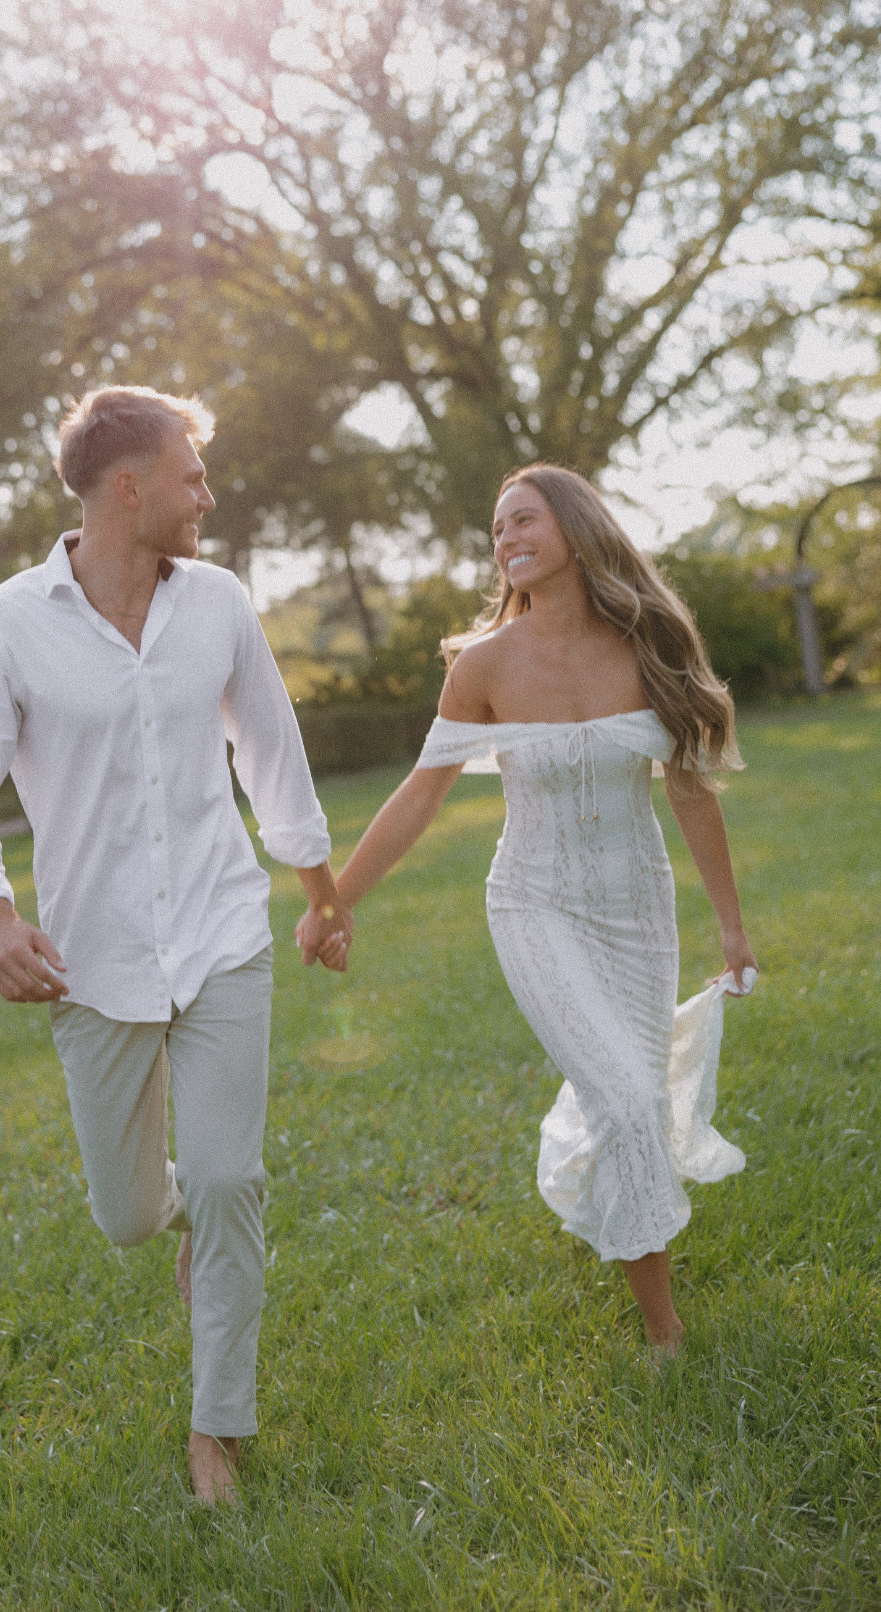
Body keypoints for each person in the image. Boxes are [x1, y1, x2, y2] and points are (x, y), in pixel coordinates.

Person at [0, 385, 353, 1505]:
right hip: (92, 957)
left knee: (231, 1176)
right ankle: (182, 1222)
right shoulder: (5, 626)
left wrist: (320, 892)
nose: (208, 495)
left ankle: (218, 1432)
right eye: (193, 475)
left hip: (220, 930)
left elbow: (271, 754)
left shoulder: (216, 603)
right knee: (128, 1211)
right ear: (130, 486)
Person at [306, 465, 757, 1355]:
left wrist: (731, 926)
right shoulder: (483, 666)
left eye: (523, 519)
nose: (505, 537)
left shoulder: (650, 643)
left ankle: (622, 1214)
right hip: (533, 902)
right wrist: (332, 900)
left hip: (638, 909)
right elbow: (420, 794)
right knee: (627, 1101)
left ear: (577, 527)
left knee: (628, 1101)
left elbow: (692, 793)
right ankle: (664, 1334)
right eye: (496, 528)